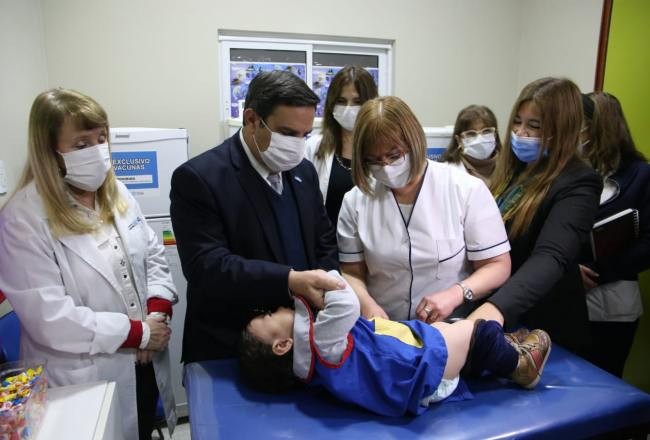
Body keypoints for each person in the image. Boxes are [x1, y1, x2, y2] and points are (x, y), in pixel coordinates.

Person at [0, 88, 177, 440]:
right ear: (49, 151)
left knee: (141, 428)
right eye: (82, 144)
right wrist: (138, 334)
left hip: (144, 359)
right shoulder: (22, 218)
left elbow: (154, 255)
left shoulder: (117, 193)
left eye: (101, 138)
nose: (98, 151)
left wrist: (156, 314)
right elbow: (51, 318)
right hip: (85, 375)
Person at [170, 70, 342, 363]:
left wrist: (328, 289)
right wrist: (289, 280)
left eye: (305, 135)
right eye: (287, 133)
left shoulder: (303, 172)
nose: (298, 145)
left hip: (298, 341)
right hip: (229, 345)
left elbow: (323, 242)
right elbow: (208, 267)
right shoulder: (201, 177)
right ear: (251, 119)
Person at [238, 270, 551, 416]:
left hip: (408, 370)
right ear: (282, 345)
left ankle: (496, 351)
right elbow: (346, 301)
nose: (274, 309)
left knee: (451, 328)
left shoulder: (312, 364)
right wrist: (320, 278)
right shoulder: (322, 342)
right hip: (418, 370)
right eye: (268, 316)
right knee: (474, 331)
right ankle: (519, 365)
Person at [337, 96, 511, 324]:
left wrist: (456, 293)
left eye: (394, 156)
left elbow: (497, 265)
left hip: (449, 325)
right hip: (385, 326)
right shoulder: (355, 201)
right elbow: (351, 272)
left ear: (415, 142)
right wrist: (366, 303)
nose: (386, 167)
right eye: (374, 161)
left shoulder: (465, 190)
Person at [468, 78, 603, 360]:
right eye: (517, 122)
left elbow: (550, 256)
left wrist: (495, 308)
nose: (520, 133)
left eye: (534, 126)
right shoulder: (514, 172)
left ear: (561, 130)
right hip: (501, 314)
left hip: (543, 325)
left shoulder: (579, 182)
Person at [578, 91, 650, 377]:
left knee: (607, 380)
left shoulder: (641, 175)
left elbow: (648, 244)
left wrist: (598, 273)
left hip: (615, 305)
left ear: (600, 126)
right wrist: (570, 272)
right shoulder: (570, 173)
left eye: (581, 124)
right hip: (568, 300)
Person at [305, 65, 379, 227]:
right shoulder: (313, 147)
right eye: (341, 101)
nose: (348, 109)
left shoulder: (382, 151)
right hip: (324, 240)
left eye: (357, 102)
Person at [440, 104, 501, 185]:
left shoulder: (509, 168)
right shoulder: (447, 173)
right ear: (459, 140)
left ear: (495, 134)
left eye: (486, 131)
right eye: (471, 134)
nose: (480, 139)